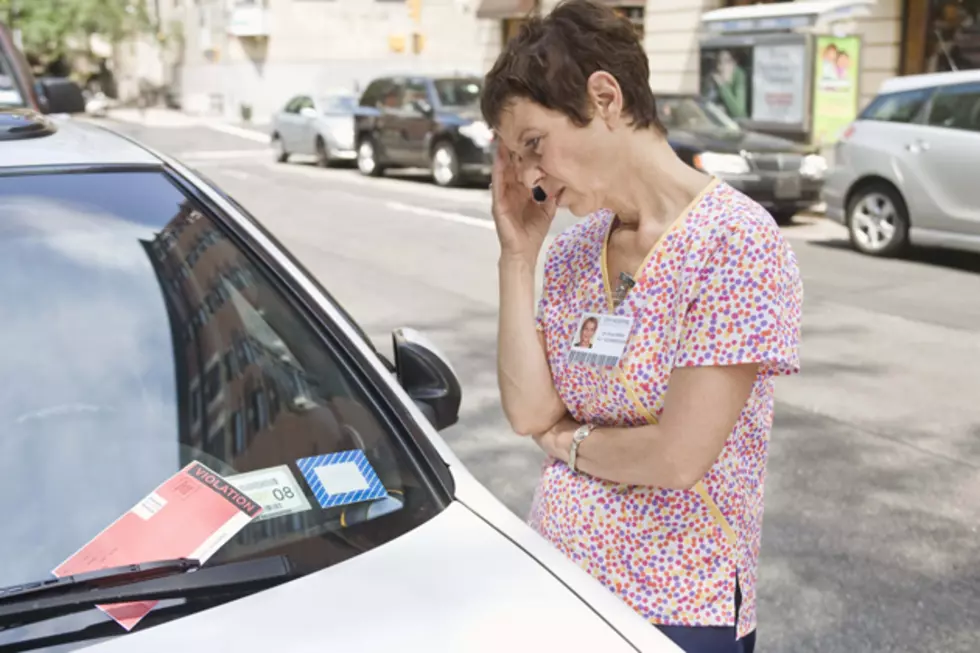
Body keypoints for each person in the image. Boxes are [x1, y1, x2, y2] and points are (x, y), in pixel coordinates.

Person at [480, 1, 803, 652]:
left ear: (604, 97)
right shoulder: (574, 249)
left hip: (675, 607)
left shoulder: (735, 242)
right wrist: (518, 255)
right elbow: (528, 411)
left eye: (534, 145)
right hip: (556, 578)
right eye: (516, 159)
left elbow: (677, 456)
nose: (529, 177)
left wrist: (566, 444)